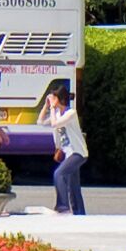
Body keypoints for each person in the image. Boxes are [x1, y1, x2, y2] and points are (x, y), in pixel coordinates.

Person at [43, 76, 89, 217]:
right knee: (73, 186)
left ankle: (62, 206)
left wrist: (51, 107)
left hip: (78, 153)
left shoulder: (71, 113)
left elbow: (54, 124)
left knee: (59, 174)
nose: (52, 100)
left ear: (60, 98)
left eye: (54, 97)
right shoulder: (57, 113)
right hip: (70, 154)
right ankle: (79, 213)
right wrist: (46, 106)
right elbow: (40, 121)